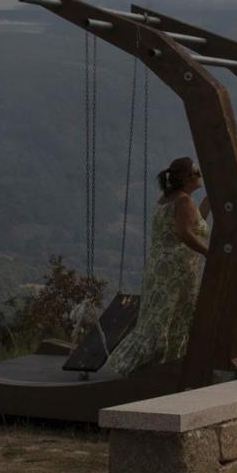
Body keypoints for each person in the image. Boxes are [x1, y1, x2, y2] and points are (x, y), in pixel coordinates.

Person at [101, 156, 209, 376]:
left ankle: (134, 364)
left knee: (156, 316)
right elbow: (185, 233)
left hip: (160, 266)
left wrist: (211, 200)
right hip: (176, 269)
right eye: (197, 173)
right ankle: (166, 367)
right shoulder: (184, 202)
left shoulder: (169, 199)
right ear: (187, 178)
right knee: (173, 318)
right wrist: (210, 253)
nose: (201, 176)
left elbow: (194, 223)